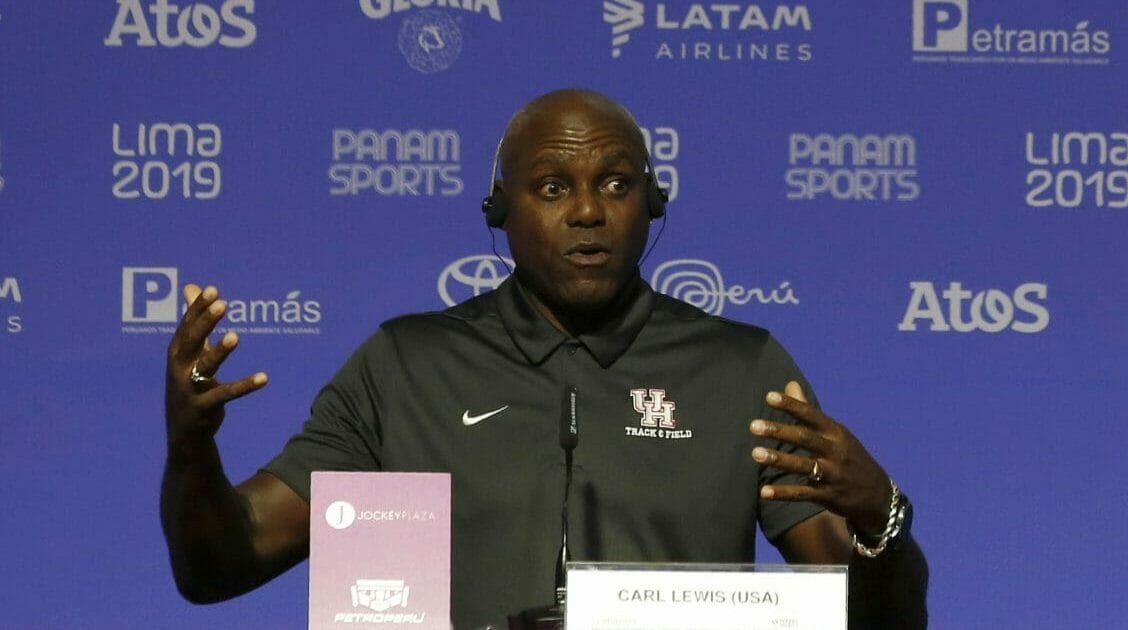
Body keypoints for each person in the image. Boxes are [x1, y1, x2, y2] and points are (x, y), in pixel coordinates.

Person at [161, 89, 928, 629]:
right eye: (554, 185)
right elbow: (220, 566)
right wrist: (191, 449)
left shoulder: (740, 368)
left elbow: (875, 621)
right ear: (501, 209)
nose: (589, 209)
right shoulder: (407, 367)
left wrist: (881, 520)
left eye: (616, 184)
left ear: (653, 204)